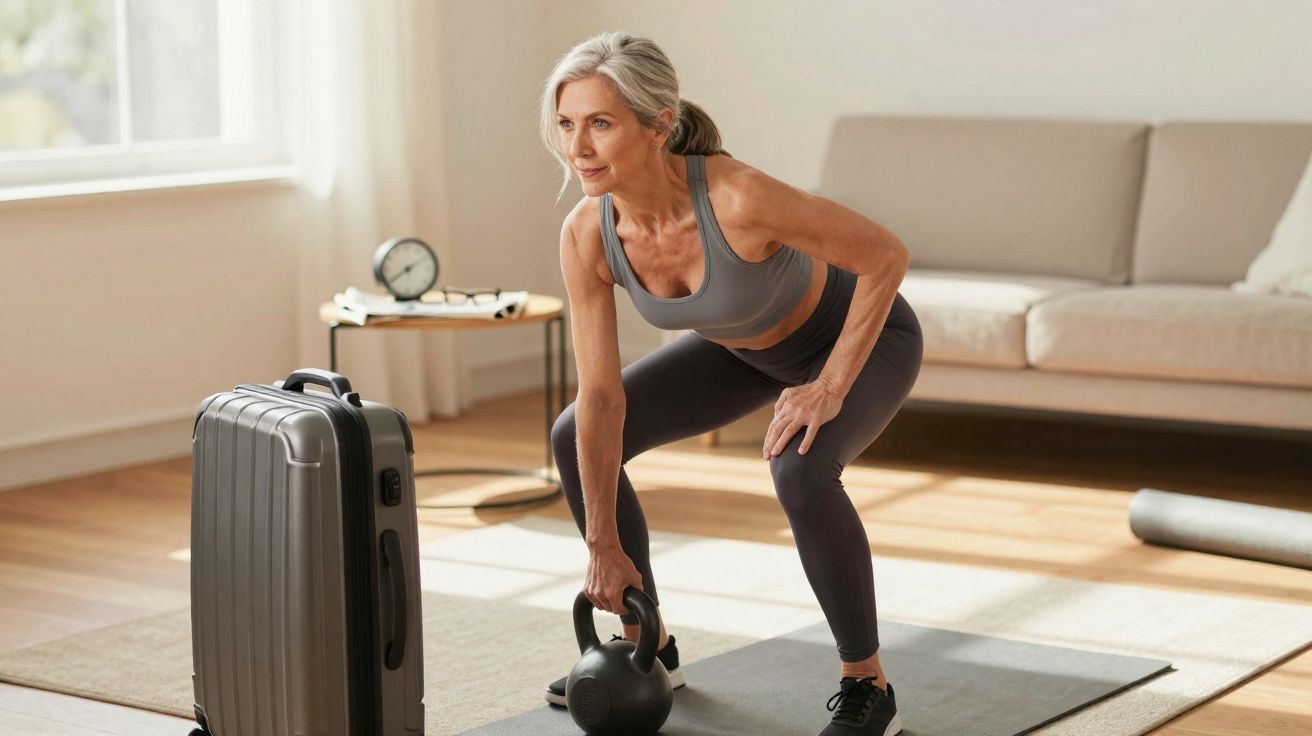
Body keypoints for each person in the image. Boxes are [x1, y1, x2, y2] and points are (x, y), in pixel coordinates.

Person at [535, 31, 921, 736]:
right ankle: (644, 645)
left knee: (799, 469)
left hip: (861, 340)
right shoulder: (587, 234)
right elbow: (600, 399)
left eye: (600, 123)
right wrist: (602, 545)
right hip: (742, 353)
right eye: (566, 124)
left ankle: (868, 685)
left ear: (658, 124)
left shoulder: (738, 197)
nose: (578, 147)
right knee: (575, 433)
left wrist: (829, 386)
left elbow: (884, 256)